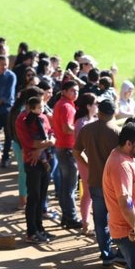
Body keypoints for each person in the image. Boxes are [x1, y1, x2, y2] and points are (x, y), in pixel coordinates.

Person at [74, 98, 121, 267]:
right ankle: (121, 252)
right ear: (113, 112)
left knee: (100, 220)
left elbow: (76, 150)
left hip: (95, 180)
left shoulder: (87, 129)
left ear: (99, 111)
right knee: (118, 218)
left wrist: (88, 164)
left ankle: (106, 254)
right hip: (115, 182)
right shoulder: (116, 131)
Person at [102, 122, 135, 269]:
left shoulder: (125, 157)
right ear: (128, 143)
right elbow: (125, 203)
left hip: (133, 229)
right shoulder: (121, 165)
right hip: (128, 232)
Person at [15, 95, 56, 244]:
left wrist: (45, 145)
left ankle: (40, 228)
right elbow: (28, 142)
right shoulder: (22, 120)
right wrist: (46, 144)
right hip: (32, 162)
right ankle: (31, 232)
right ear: (29, 107)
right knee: (34, 197)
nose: (41, 109)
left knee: (42, 196)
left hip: (45, 160)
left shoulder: (43, 117)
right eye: (38, 106)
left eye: (42, 105)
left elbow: (52, 133)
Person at [52, 80, 82, 228]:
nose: (75, 93)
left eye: (77, 91)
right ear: (64, 91)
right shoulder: (66, 107)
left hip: (61, 147)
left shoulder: (61, 104)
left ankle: (66, 216)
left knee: (65, 185)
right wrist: (81, 130)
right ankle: (71, 217)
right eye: (72, 91)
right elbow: (67, 128)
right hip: (67, 148)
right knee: (70, 186)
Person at [73, 92, 98, 235]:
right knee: (88, 192)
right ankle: (86, 223)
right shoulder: (81, 123)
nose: (97, 107)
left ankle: (93, 223)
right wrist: (88, 162)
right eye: (95, 104)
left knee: (94, 193)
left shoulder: (93, 120)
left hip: (94, 161)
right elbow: (78, 147)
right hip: (85, 161)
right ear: (88, 106)